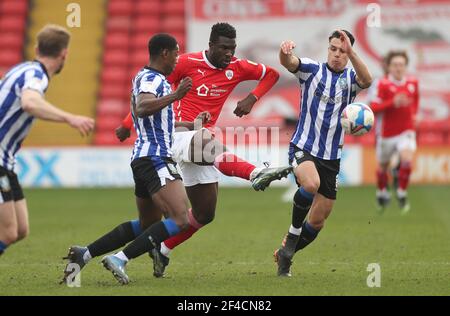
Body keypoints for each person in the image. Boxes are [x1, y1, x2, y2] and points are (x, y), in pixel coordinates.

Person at [113, 22, 290, 277]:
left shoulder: (237, 67)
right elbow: (147, 97)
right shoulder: (185, 63)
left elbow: (271, 74)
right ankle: (254, 174)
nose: (229, 54)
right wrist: (127, 124)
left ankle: (162, 249)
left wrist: (252, 98)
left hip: (199, 142)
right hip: (177, 134)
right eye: (224, 48)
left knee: (205, 213)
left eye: (233, 48)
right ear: (211, 46)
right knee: (206, 137)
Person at [96, 33, 197, 285]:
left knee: (147, 223)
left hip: (144, 157)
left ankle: (85, 253)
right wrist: (176, 96)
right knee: (181, 218)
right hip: (155, 158)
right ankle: (120, 258)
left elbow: (158, 122)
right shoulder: (151, 78)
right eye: (175, 53)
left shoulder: (147, 77)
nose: (177, 58)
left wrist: (192, 124)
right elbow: (143, 107)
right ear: (164, 53)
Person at [274, 30, 372, 277]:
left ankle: (285, 253)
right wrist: (284, 52)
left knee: (318, 221)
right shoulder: (312, 69)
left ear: (348, 54)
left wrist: (353, 52)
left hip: (331, 157)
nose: (337, 55)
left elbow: (368, 80)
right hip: (303, 147)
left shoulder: (351, 78)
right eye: (333, 49)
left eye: (342, 51)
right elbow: (290, 62)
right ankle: (292, 235)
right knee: (310, 184)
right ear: (327, 48)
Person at [0, 24, 94, 257]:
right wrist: (70, 118)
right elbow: (30, 103)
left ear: (36, 48)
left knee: (21, 229)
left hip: (6, 161)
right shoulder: (36, 75)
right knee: (8, 232)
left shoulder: (23, 69)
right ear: (65, 54)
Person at [370, 50, 419, 214]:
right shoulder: (381, 84)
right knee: (383, 167)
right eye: (395, 65)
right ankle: (382, 191)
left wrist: (415, 114)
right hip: (386, 134)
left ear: (406, 67)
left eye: (401, 65)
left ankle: (401, 192)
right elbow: (373, 108)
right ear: (389, 67)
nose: (398, 68)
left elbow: (416, 100)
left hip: (406, 131)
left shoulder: (413, 83)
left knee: (407, 160)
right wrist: (392, 102)